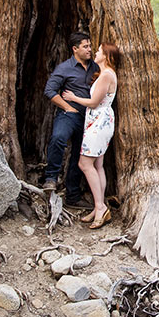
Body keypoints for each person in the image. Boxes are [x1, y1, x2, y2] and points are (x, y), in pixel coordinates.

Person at [62, 42, 119, 229]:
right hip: (99, 122)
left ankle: (100, 207)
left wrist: (73, 98)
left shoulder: (106, 75)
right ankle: (99, 206)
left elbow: (94, 102)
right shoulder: (106, 74)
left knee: (84, 164)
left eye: (99, 51)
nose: (95, 52)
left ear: (106, 55)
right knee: (98, 165)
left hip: (99, 123)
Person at [42, 31, 99, 205]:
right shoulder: (64, 68)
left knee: (79, 156)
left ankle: (73, 196)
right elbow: (49, 90)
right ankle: (51, 178)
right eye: (85, 46)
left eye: (90, 46)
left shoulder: (95, 67)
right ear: (75, 49)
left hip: (89, 119)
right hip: (69, 115)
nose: (89, 49)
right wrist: (68, 107)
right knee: (59, 138)